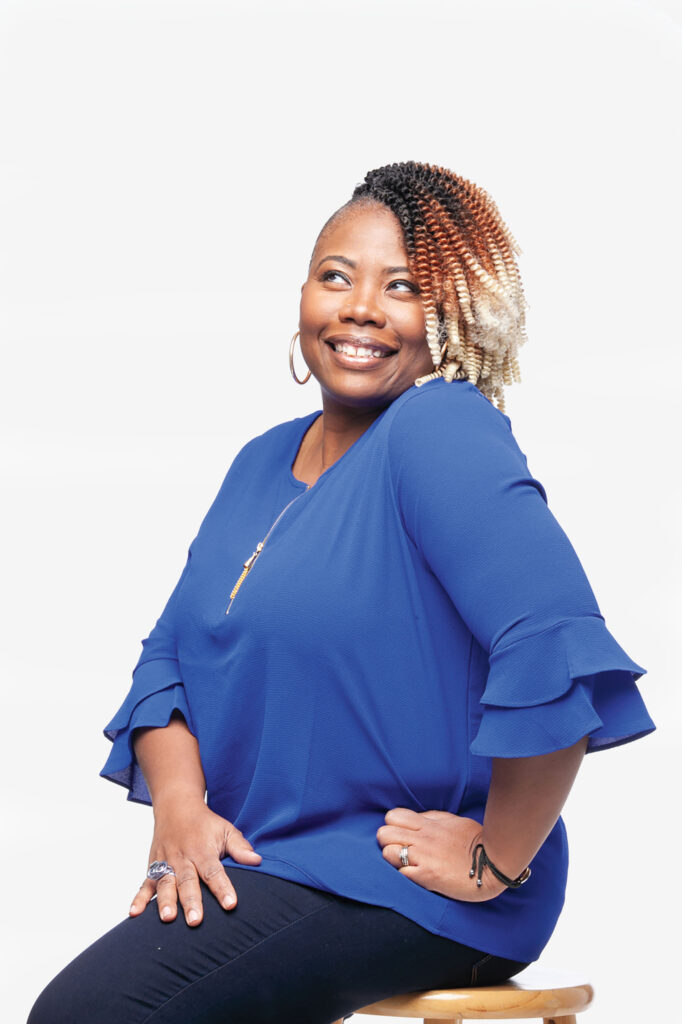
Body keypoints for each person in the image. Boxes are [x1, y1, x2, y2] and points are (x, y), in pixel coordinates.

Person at [28, 161, 656, 1024]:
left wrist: (498, 856)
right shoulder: (259, 461)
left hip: (403, 881)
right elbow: (168, 656)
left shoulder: (440, 429)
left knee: (91, 1016)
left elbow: (556, 644)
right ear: (302, 296)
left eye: (403, 287)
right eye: (336, 276)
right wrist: (179, 806)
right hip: (278, 859)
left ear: (454, 315)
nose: (360, 306)